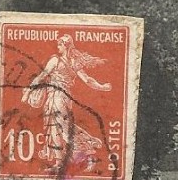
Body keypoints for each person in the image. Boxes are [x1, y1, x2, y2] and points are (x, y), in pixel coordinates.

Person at [21, 34, 111, 171]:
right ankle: (59, 163)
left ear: (66, 46)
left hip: (58, 97)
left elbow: (41, 76)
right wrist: (101, 86)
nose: (58, 47)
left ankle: (88, 151)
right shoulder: (74, 63)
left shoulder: (56, 61)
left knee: (62, 128)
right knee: (54, 128)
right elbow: (88, 80)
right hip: (60, 97)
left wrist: (28, 92)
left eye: (60, 45)